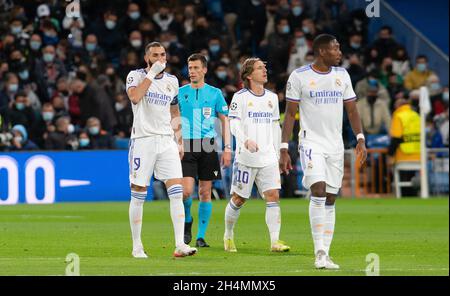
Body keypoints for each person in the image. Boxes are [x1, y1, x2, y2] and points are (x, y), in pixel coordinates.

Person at [280, 34, 367, 269]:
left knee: (330, 197)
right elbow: (290, 114)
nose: (340, 52)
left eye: (339, 48)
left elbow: (352, 110)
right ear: (321, 52)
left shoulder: (342, 75)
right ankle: (318, 252)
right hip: (311, 143)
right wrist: (284, 147)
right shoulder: (299, 76)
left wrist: (360, 138)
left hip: (335, 146)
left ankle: (326, 254)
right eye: (335, 48)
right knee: (317, 190)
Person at [125, 42, 197, 258]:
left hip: (166, 141)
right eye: (155, 55)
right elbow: (135, 97)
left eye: (163, 55)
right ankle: (137, 246)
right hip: (143, 140)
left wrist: (179, 139)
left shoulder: (172, 81)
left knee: (177, 193)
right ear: (146, 58)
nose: (160, 58)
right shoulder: (135, 76)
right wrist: (151, 74)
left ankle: (179, 244)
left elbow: (174, 110)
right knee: (138, 194)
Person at [224, 57, 291, 253]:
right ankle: (228, 235)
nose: (264, 70)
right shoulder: (240, 97)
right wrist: (245, 140)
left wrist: (280, 151)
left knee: (273, 195)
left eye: (264, 67)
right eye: (260, 68)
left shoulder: (272, 97)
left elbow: (274, 127)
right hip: (246, 158)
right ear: (248, 75)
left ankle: (275, 241)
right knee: (239, 199)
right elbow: (233, 123)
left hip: (268, 157)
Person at [178, 53, 232, 248]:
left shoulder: (215, 93)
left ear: (204, 70)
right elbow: (172, 119)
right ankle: (187, 221)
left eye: (196, 68)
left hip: (208, 145)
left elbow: (225, 121)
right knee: (186, 192)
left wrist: (227, 148)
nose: (192, 71)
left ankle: (200, 236)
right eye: (190, 68)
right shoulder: (180, 92)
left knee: (205, 192)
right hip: (186, 145)